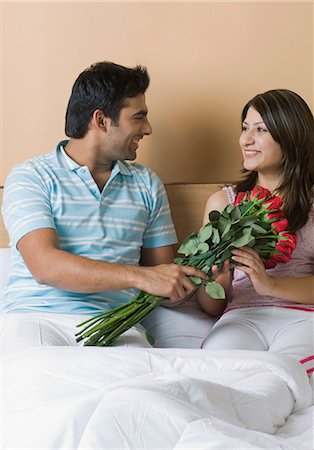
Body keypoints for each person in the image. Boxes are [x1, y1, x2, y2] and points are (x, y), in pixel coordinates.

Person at [1, 61, 211, 349]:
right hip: (38, 320)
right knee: (42, 388)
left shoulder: (146, 183)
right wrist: (140, 276)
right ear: (101, 121)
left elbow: (164, 277)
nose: (148, 129)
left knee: (142, 393)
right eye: (138, 117)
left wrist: (212, 266)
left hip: (117, 325)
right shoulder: (31, 176)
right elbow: (44, 266)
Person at [198, 89, 314, 369]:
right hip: (241, 317)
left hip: (303, 316)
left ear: (291, 137)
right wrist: (217, 276)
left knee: (281, 378)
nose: (246, 140)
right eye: (245, 128)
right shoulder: (222, 203)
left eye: (260, 130)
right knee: (218, 374)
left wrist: (269, 284)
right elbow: (211, 305)